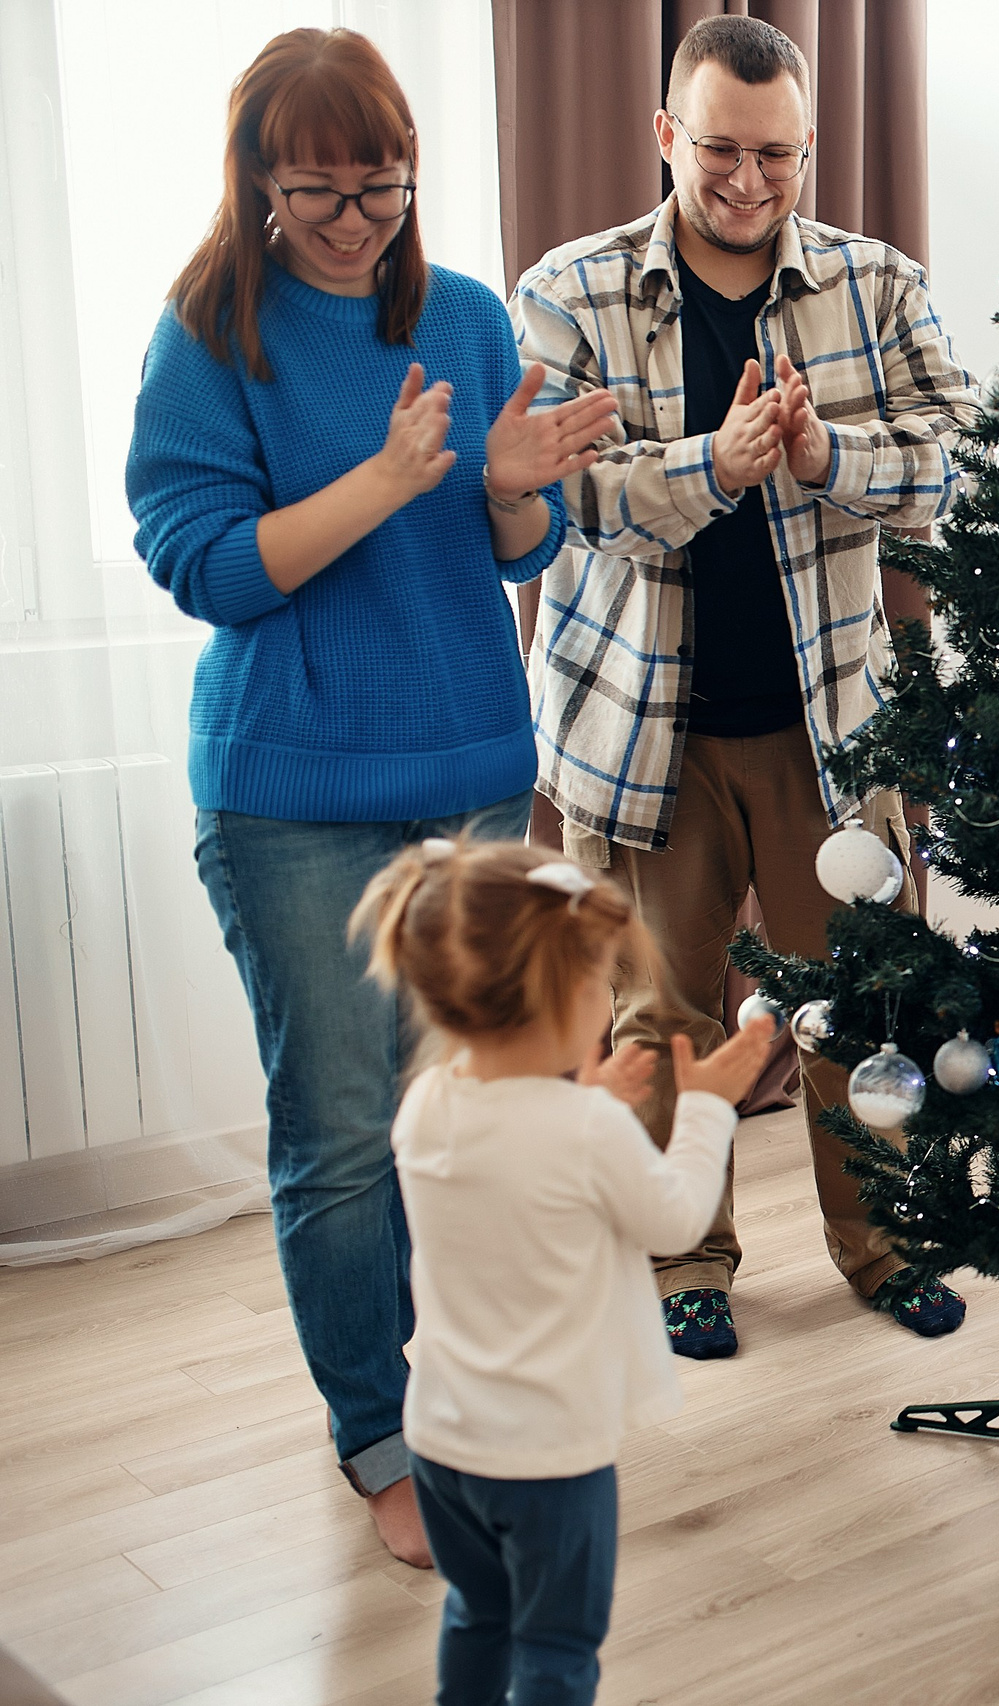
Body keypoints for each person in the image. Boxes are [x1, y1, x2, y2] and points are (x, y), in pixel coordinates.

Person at [125, 27, 619, 1568]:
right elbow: (207, 566)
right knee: (341, 1138)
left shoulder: (464, 319)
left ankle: (474, 1402)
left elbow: (513, 557)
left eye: (383, 189)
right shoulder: (215, 334)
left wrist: (509, 486)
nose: (357, 222)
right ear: (262, 183)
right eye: (322, 192)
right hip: (292, 795)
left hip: (467, 788)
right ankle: (381, 1439)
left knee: (463, 1126)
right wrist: (395, 482)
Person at [513, 15, 981, 1358]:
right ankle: (686, 1262)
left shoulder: (878, 284)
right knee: (662, 1024)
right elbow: (556, 498)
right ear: (667, 136)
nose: (748, 178)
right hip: (636, 738)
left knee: (860, 1007)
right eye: (719, 147)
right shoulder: (570, 289)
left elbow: (957, 462)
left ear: (809, 145)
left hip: (831, 728)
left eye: (777, 153)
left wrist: (828, 457)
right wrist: (710, 469)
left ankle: (880, 1244)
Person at [353, 838, 773, 1705]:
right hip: (546, 1457)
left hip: (440, 1438)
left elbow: (523, 1151)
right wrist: (705, 1108)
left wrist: (590, 1101)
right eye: (600, 981)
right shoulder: (586, 1135)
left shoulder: (427, 1105)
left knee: (480, 1612)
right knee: (557, 1648)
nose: (610, 996)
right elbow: (676, 1216)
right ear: (559, 1001)